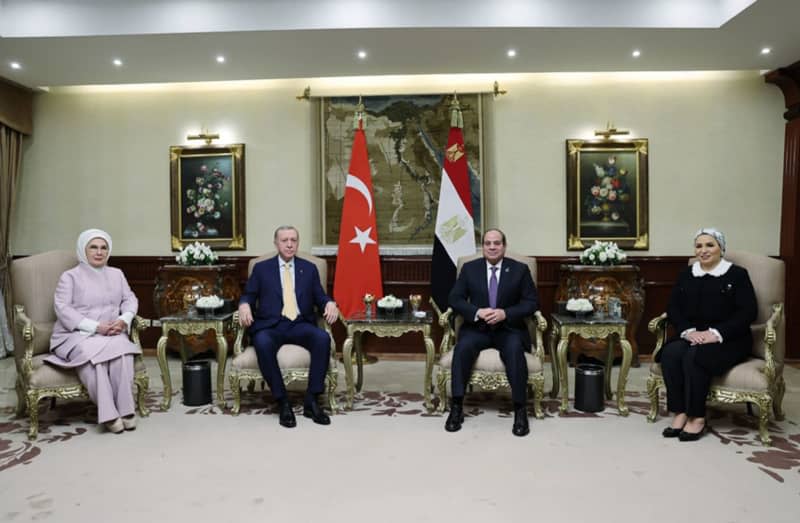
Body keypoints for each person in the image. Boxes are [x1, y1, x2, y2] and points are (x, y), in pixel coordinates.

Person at [658, 228, 757, 441]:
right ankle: (681, 411)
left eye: (709, 245)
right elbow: (674, 308)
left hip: (730, 338)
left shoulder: (737, 275)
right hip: (694, 335)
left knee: (696, 357)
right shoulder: (687, 274)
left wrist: (716, 333)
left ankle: (696, 417)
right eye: (699, 246)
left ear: (721, 248)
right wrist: (689, 331)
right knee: (671, 353)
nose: (703, 250)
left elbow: (748, 312)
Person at [238, 225, 339, 428]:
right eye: (285, 240)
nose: (290, 244)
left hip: (299, 324)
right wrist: (244, 304)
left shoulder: (309, 269)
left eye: (293, 240)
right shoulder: (261, 268)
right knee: (262, 342)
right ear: (276, 243)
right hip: (271, 325)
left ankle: (312, 399)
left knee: (322, 338)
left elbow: (320, 296)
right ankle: (282, 401)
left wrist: (329, 302)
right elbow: (249, 294)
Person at [445, 228, 539, 437]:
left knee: (515, 350)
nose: (492, 247)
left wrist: (506, 313)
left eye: (497, 243)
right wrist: (477, 311)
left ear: (504, 246)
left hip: (508, 328)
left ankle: (520, 410)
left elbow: (532, 303)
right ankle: (457, 407)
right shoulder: (470, 269)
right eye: (488, 243)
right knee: (462, 348)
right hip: (477, 328)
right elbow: (455, 299)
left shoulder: (520, 270)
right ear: (483, 246)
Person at [47, 229, 141, 434]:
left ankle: (126, 410)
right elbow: (62, 309)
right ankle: (109, 414)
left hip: (112, 332)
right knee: (96, 359)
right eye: (93, 247)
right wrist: (95, 327)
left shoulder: (117, 274)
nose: (99, 252)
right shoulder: (70, 277)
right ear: (83, 250)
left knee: (123, 351)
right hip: (76, 335)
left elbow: (129, 299)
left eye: (103, 247)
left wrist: (124, 320)